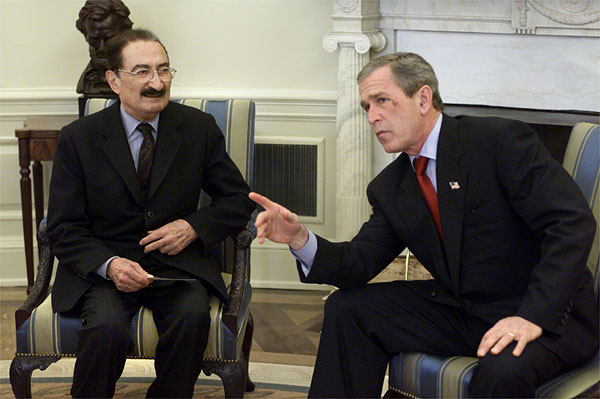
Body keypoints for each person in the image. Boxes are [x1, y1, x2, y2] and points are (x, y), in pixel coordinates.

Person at [250, 52, 598, 397]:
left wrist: (532, 316)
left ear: (423, 98)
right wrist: (299, 238)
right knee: (348, 309)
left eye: (382, 100)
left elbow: (570, 223)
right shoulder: (391, 187)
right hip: (464, 313)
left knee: (501, 369)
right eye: (366, 107)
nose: (372, 117)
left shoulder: (497, 141)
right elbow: (357, 263)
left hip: (543, 314)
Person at [47, 29, 255, 398]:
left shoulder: (197, 129)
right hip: (106, 268)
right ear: (114, 80)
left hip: (177, 267)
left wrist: (193, 226)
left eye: (163, 70)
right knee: (106, 328)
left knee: (191, 319)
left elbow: (238, 200)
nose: (156, 82)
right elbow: (64, 226)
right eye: (142, 71)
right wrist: (109, 264)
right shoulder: (78, 138)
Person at [75, 0, 133, 95]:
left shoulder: (137, 77)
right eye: (94, 40)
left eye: (109, 39)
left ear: (124, 34)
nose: (102, 49)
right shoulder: (87, 81)